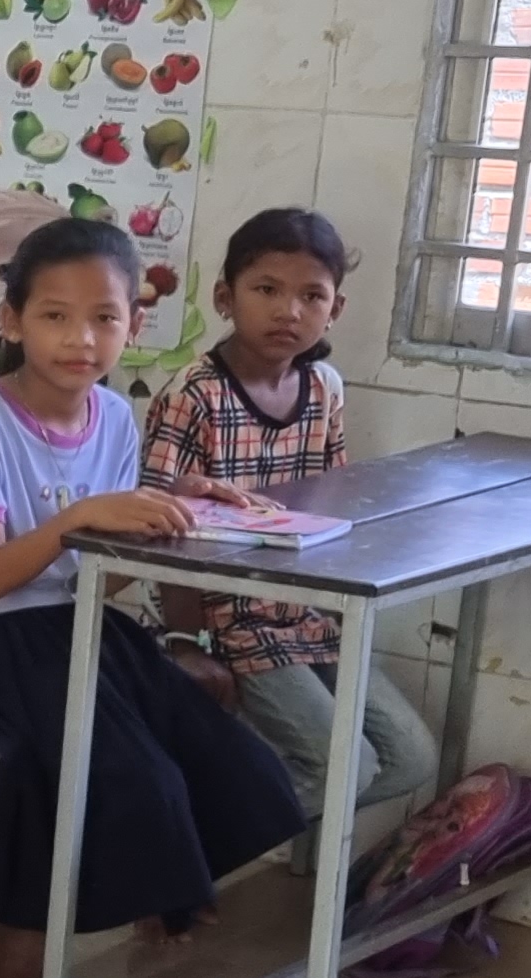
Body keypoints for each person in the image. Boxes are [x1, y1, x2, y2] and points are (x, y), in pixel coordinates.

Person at [0, 215, 303, 978]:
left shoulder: (116, 419)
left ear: (134, 325)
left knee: (230, 762)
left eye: (104, 318)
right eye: (54, 316)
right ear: (11, 320)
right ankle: (23, 926)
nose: (80, 339)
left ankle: (160, 883)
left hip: (67, 618)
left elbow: (100, 580)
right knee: (116, 767)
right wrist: (83, 515)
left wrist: (175, 512)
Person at [139, 207, 440, 832]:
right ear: (226, 297)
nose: (289, 311)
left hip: (302, 610)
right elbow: (157, 531)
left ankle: (200, 834)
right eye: (267, 290)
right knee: (344, 766)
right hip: (223, 618)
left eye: (312, 296)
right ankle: (174, 858)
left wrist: (335, 611)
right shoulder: (194, 395)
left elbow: (328, 502)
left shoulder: (323, 387)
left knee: (411, 759)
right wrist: (187, 644)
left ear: (336, 309)